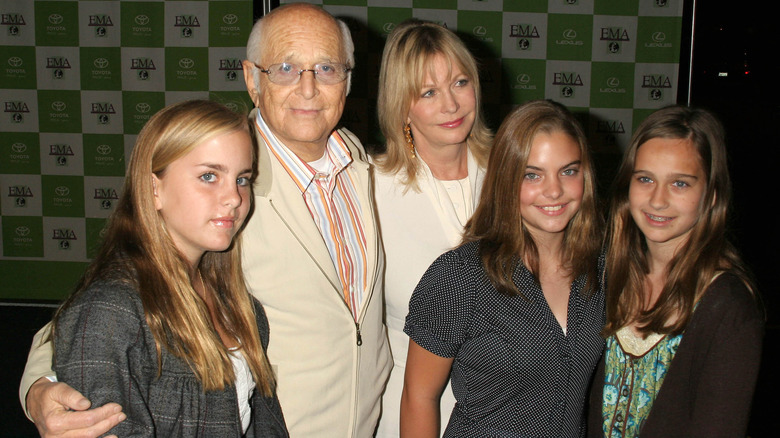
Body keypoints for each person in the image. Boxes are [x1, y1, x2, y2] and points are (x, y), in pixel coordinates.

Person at [20, 3, 391, 438]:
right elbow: (95, 317)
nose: (308, 89)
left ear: (347, 79)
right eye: (287, 68)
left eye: (327, 68)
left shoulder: (362, 161)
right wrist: (40, 389)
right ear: (253, 79)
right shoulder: (222, 172)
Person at [50, 99, 287, 437]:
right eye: (209, 176)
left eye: (243, 179)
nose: (233, 198)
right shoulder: (111, 310)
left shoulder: (241, 307)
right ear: (153, 188)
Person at [401, 100, 604, 437]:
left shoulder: (602, 268)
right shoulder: (460, 277)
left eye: (569, 171)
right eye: (532, 175)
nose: (554, 190)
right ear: (506, 179)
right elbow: (418, 397)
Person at [587, 105, 764, 438]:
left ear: (711, 195)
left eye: (680, 184)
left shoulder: (727, 309)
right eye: (645, 179)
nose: (657, 200)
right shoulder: (610, 279)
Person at [372, 19, 492, 438]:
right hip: (407, 413)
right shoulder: (368, 189)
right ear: (401, 105)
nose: (451, 104)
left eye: (460, 82)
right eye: (428, 92)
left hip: (507, 409)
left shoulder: (514, 176)